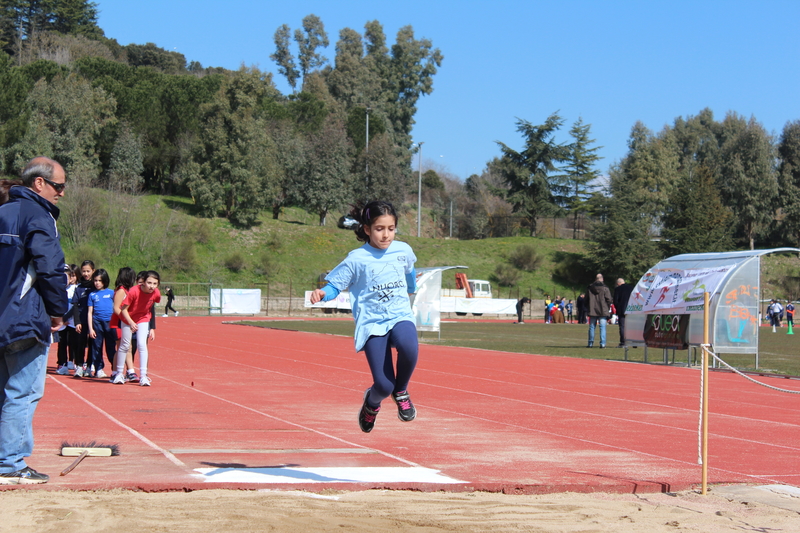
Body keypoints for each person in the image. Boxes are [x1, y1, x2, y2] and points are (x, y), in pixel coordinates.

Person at [309, 201, 418, 433]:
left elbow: (409, 272)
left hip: (399, 314)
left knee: (409, 347)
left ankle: (402, 391)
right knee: (383, 385)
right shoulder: (356, 259)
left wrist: (411, 288)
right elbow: (335, 285)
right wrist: (323, 293)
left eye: (391, 228)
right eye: (380, 229)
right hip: (372, 323)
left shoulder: (404, 250)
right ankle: (372, 403)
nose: (386, 234)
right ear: (367, 229)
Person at [0, 156, 68, 484]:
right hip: (25, 318)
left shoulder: (1, 213)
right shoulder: (38, 216)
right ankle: (10, 463)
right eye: (59, 186)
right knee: (23, 392)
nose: (62, 194)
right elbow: (51, 267)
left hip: (2, 318)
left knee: (4, 391)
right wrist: (58, 312)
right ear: (39, 184)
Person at [114, 271, 161, 386]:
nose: (152, 286)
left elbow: (151, 308)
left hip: (143, 318)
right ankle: (119, 374)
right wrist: (130, 322)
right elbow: (123, 309)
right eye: (149, 283)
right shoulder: (134, 291)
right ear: (143, 282)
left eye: (155, 283)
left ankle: (144, 376)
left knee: (142, 345)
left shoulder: (156, 293)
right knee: (125, 345)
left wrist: (152, 328)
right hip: (128, 318)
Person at [87, 269, 116, 379]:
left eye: (100, 280)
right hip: (97, 323)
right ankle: (99, 369)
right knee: (97, 347)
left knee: (111, 347)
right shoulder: (92, 295)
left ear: (105, 281)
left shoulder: (111, 293)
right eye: (95, 280)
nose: (97, 283)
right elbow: (90, 312)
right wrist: (91, 329)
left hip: (110, 323)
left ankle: (115, 369)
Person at [72, 260, 95, 377]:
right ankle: (79, 366)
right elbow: (75, 305)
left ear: (93, 271)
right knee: (80, 344)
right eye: (84, 271)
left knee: (92, 344)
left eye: (88, 271)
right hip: (82, 320)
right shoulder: (78, 288)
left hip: (93, 321)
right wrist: (77, 322)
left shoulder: (96, 287)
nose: (86, 274)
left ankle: (89, 366)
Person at [55, 266, 79, 375]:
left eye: (67, 278)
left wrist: (66, 318)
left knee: (73, 342)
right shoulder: (58, 289)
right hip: (61, 322)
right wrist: (60, 319)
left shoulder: (75, 289)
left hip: (72, 321)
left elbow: (75, 306)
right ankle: (62, 363)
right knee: (62, 343)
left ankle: (72, 361)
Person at [586, 274, 612, 348]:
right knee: (602, 327)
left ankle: (590, 343)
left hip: (592, 309)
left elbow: (586, 299)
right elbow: (609, 299)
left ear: (595, 279)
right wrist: (607, 306)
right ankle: (602, 343)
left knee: (592, 327)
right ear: (602, 279)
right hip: (603, 309)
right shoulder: (605, 288)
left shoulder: (590, 287)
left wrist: (588, 306)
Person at [613, 278, 634, 348]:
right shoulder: (631, 288)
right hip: (631, 309)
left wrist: (618, 307)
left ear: (618, 283)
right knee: (631, 326)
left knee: (622, 326)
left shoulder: (617, 289)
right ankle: (633, 341)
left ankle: (623, 342)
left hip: (622, 310)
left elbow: (615, 301)